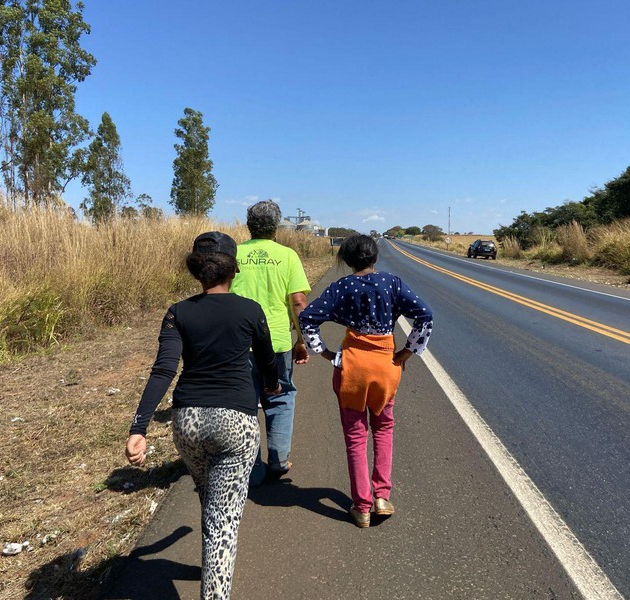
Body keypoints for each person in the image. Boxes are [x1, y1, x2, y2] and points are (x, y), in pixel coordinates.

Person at [125, 231, 280, 600]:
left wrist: (139, 428)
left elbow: (164, 370)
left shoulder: (178, 312)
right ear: (234, 269)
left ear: (197, 271)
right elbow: (267, 360)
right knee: (223, 521)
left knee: (209, 496)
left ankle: (212, 560)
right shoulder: (250, 310)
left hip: (188, 423)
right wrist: (273, 385)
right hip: (235, 423)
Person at [298, 235, 434, 527]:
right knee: (383, 427)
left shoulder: (341, 287)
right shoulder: (392, 284)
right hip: (385, 365)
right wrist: (406, 352)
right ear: (375, 257)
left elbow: (307, 318)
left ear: (347, 260)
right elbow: (425, 316)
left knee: (355, 435)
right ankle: (382, 497)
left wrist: (325, 353)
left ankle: (361, 507)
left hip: (352, 366)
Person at [230, 200, 311, 484]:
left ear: (248, 225)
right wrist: (301, 339)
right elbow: (298, 302)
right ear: (276, 227)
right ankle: (278, 460)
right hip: (276, 341)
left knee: (244, 404)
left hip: (239, 343)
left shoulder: (234, 254)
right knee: (281, 397)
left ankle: (252, 470)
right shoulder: (287, 256)